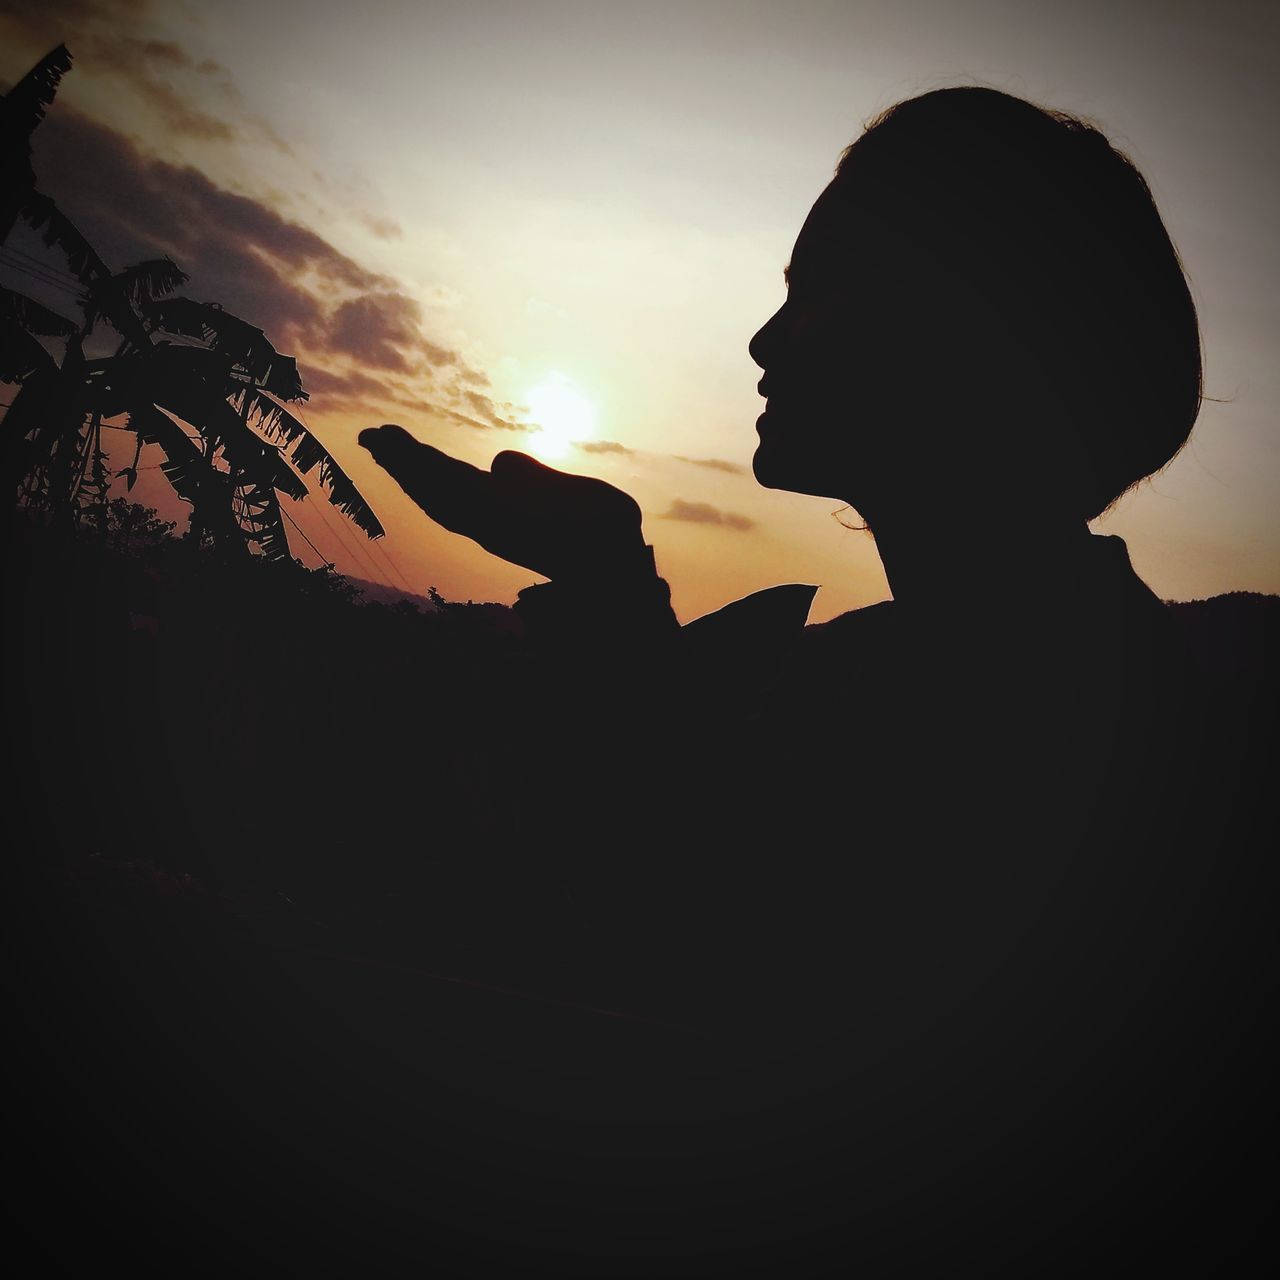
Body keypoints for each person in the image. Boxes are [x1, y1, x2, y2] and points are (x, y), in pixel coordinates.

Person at [359, 88, 1270, 1266]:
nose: (763, 340)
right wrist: (604, 576)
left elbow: (670, 941)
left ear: (971, 331)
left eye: (818, 288)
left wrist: (602, 589)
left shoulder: (1042, 728)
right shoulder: (968, 671)